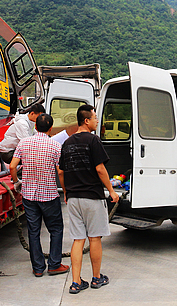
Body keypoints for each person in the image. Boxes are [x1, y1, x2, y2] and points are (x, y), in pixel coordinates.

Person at [58, 104, 119, 294]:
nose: (97, 121)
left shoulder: (67, 143)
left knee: (78, 240)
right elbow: (100, 169)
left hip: (73, 198)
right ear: (86, 120)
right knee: (94, 238)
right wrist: (112, 191)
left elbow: (61, 172)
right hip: (91, 196)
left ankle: (76, 282)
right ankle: (96, 277)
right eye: (95, 118)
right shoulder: (93, 140)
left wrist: (66, 192)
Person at [9, 113, 70, 277]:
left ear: (35, 127)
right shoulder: (55, 146)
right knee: (56, 229)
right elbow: (61, 172)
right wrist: (65, 191)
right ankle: (54, 265)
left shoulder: (23, 143)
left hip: (29, 196)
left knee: (33, 231)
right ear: (51, 128)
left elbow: (12, 166)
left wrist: (16, 182)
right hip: (49, 195)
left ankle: (37, 268)